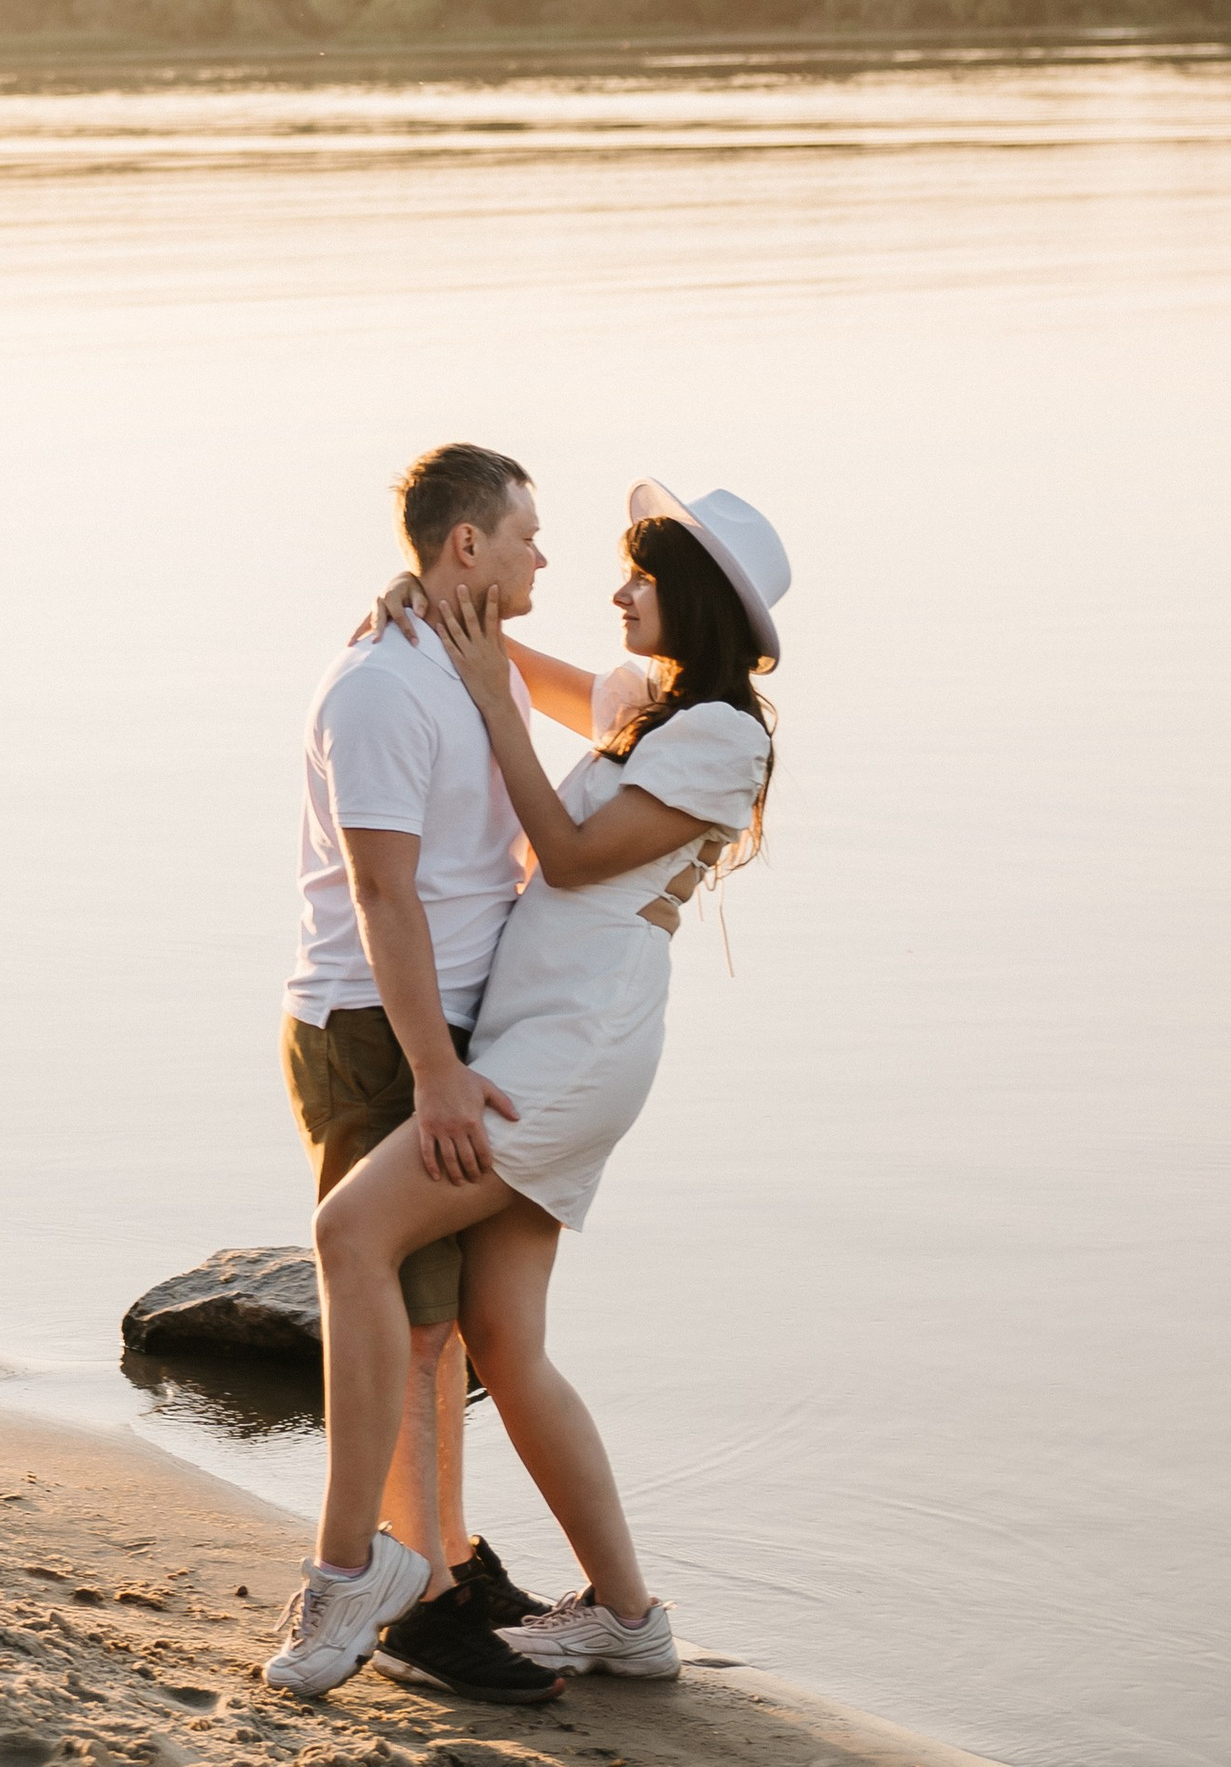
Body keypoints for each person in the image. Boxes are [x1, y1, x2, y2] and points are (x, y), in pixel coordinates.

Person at [262, 473, 790, 1699]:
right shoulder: (646, 707)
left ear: (694, 598)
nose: (613, 589)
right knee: (506, 1336)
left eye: (638, 576)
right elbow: (488, 643)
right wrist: (426, 601)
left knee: (350, 1232)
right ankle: (629, 1617)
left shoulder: (724, 733)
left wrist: (495, 699)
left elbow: (560, 846)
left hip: (573, 1048)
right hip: (532, 1035)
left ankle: (358, 1569)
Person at [267, 440, 571, 1706]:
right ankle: (417, 1606)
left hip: (445, 1034)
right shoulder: (382, 690)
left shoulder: (463, 660)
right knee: (408, 1312)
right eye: (525, 533)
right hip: (379, 1034)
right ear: (467, 545)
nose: (542, 554)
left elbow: (621, 697)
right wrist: (437, 1072)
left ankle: (438, 1557)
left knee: (441, 1328)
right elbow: (383, 895)